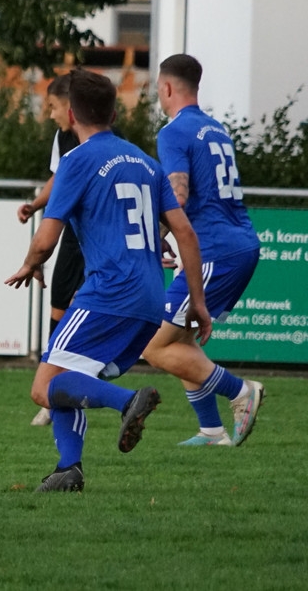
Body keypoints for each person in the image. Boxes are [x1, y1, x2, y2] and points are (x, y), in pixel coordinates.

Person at [5, 69, 212, 493]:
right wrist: (198, 302)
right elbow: (186, 234)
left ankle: (127, 401)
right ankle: (68, 469)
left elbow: (46, 239)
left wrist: (30, 264)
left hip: (108, 293)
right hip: (150, 299)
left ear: (72, 114)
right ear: (114, 114)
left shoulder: (76, 160)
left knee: (44, 387)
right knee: (70, 375)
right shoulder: (146, 163)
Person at [140, 54, 264, 446]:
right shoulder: (216, 129)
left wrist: (152, 235)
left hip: (215, 250)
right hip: (237, 244)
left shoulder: (173, 131)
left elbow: (177, 194)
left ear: (167, 87)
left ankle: (240, 391)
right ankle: (211, 430)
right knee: (181, 340)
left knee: (152, 345)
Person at [17, 74, 86, 427]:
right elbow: (59, 180)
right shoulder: (64, 138)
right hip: (72, 235)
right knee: (58, 312)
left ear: (71, 108)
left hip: (95, 239)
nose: (50, 114)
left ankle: (72, 388)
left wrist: (35, 256)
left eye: (54, 107)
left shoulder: (99, 139)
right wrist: (36, 204)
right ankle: (52, 394)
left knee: (80, 311)